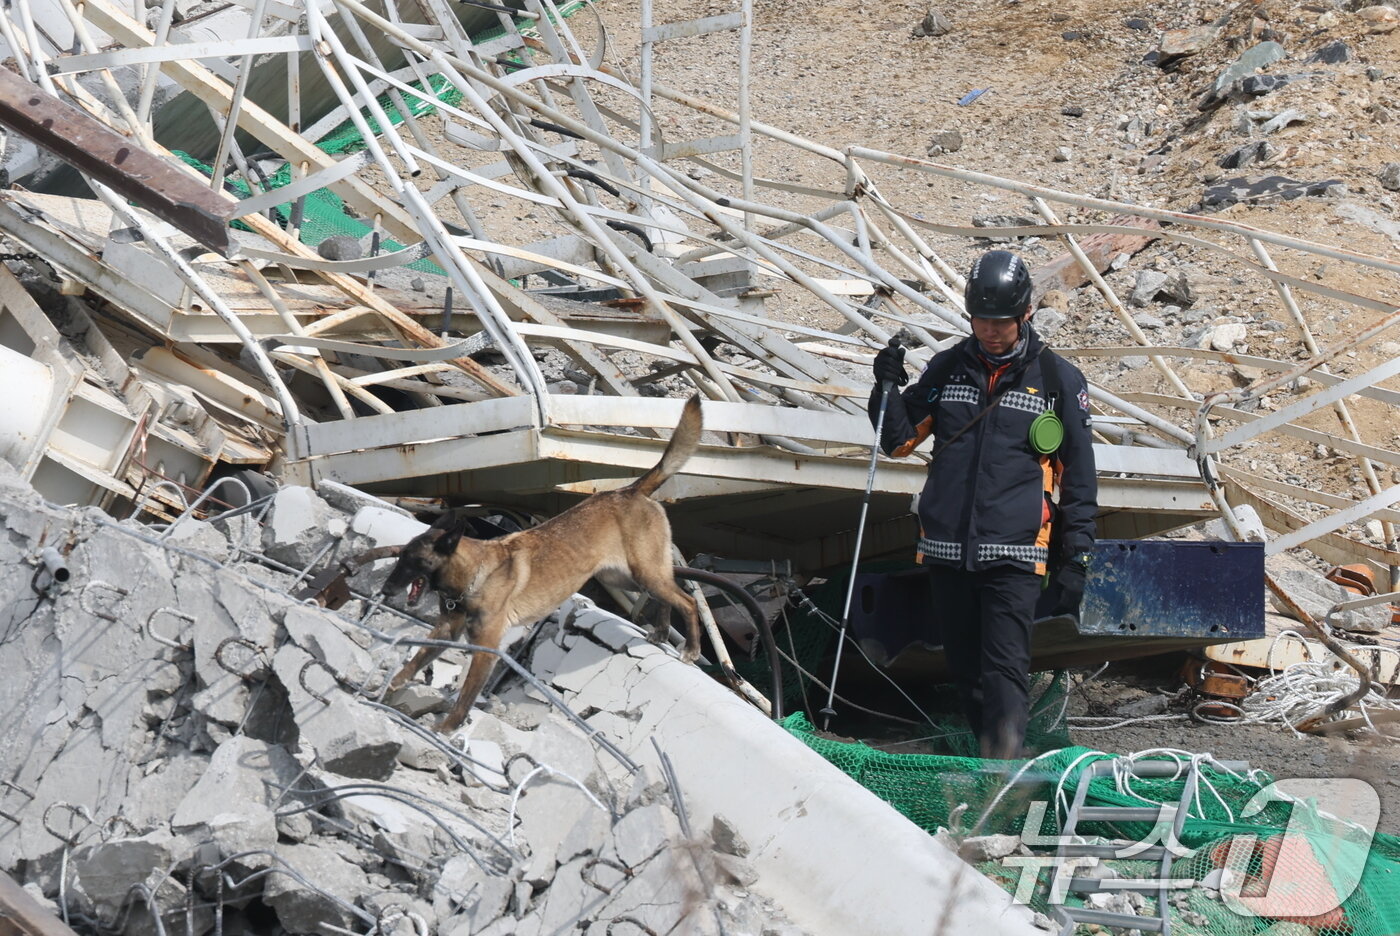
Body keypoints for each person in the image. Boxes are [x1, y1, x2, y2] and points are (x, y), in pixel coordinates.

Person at [869, 249, 1098, 759]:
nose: (991, 331)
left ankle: (1006, 783)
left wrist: (1078, 557)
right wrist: (884, 387)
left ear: (1026, 316)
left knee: (1004, 672)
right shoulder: (947, 369)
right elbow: (897, 441)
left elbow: (1079, 479)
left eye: (1002, 322)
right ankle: (988, 765)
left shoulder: (1058, 381)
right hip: (948, 553)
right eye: (981, 321)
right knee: (966, 673)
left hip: (1015, 556)